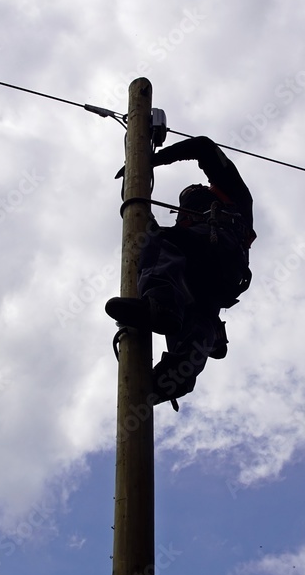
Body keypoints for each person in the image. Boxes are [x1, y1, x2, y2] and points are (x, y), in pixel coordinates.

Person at [106, 136, 255, 410]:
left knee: (163, 243)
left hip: (221, 250)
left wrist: (150, 160)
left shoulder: (234, 198)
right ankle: (172, 377)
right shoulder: (189, 237)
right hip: (218, 279)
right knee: (198, 313)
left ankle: (161, 306)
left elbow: (203, 146)